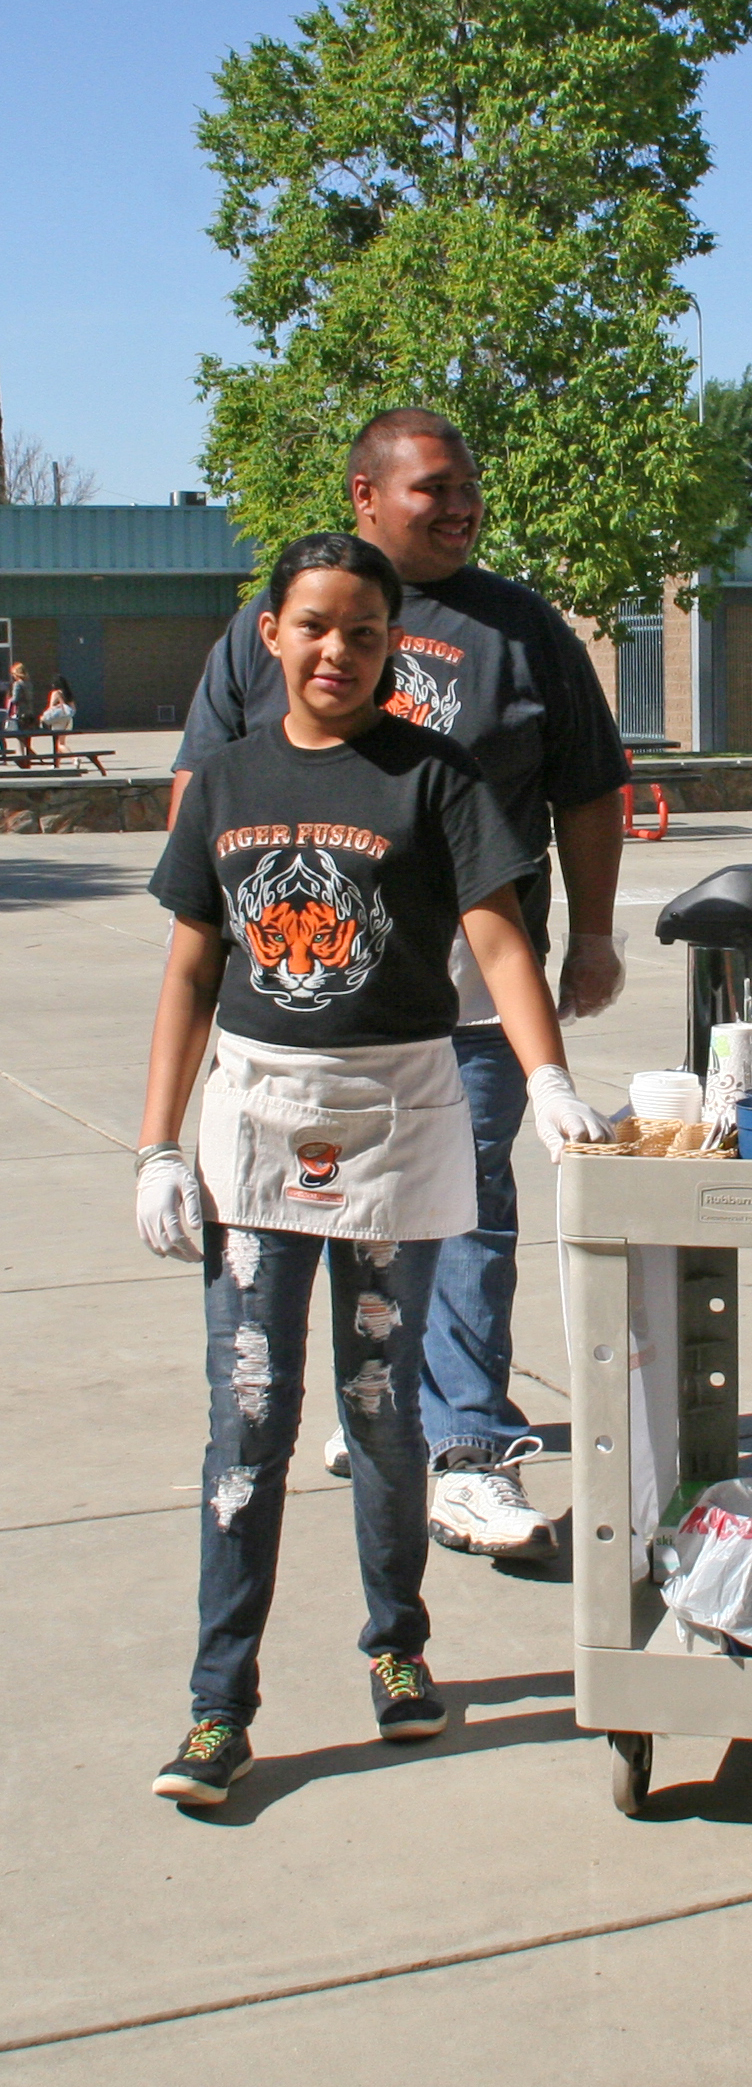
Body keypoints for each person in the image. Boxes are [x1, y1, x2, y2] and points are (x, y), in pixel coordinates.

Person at [137, 533, 610, 1805]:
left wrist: (549, 1074)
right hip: (253, 1136)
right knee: (248, 1419)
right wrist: (156, 1144)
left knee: (383, 1408)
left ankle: (398, 1650)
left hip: (398, 1122)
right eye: (314, 626)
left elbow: (499, 935)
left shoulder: (437, 777)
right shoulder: (228, 783)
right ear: (271, 638)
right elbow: (190, 968)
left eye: (362, 629)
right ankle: (216, 1705)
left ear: (393, 640)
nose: (337, 650)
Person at [172, 409, 629, 1560]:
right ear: (367, 495)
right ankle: (381, 1397)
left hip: (469, 996)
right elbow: (203, 787)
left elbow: (588, 786)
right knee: (311, 1217)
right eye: (435, 486)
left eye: (471, 483)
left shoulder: (524, 628)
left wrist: (592, 936)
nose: (464, 502)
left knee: (464, 1204)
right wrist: (221, 953)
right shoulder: (282, 617)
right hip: (307, 1005)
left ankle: (466, 1447)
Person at [3, 661, 36, 765]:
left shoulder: (17, 684)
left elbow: (15, 700)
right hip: (29, 712)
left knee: (19, 736)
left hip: (21, 713)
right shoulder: (29, 684)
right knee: (27, 737)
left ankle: (24, 758)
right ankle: (29, 756)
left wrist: (9, 700)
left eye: (13, 674)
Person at [39, 677, 75, 760]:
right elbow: (73, 709)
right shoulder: (68, 694)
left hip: (58, 721)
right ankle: (56, 764)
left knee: (58, 744)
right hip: (68, 720)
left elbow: (51, 708)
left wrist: (43, 717)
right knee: (61, 742)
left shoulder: (55, 693)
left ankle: (74, 758)